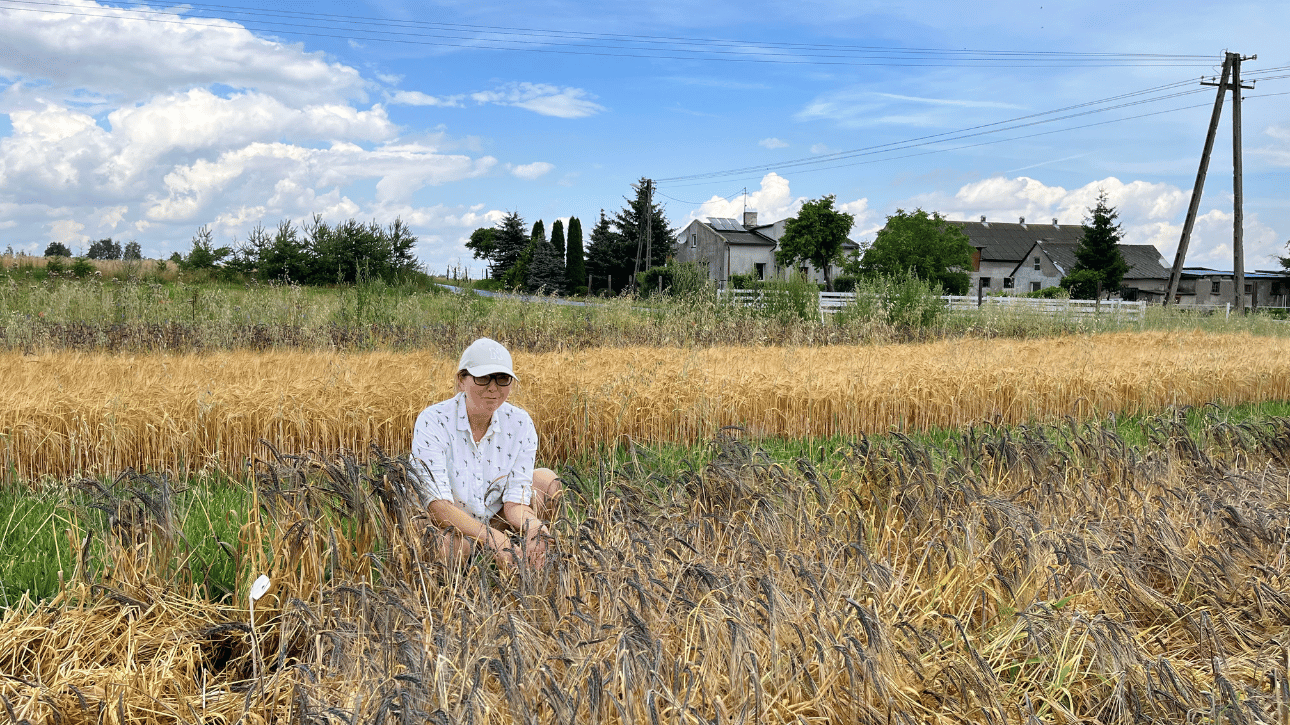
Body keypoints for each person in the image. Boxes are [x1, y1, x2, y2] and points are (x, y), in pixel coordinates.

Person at [410, 338, 561, 571]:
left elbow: (515, 503)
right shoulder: (434, 420)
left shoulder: (520, 423)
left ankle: (529, 557)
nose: (493, 388)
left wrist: (534, 527)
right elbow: (437, 508)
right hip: (449, 524)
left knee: (547, 481)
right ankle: (484, 558)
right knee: (448, 548)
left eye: (502, 379)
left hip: (495, 519)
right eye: (482, 378)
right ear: (461, 380)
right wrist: (493, 539)